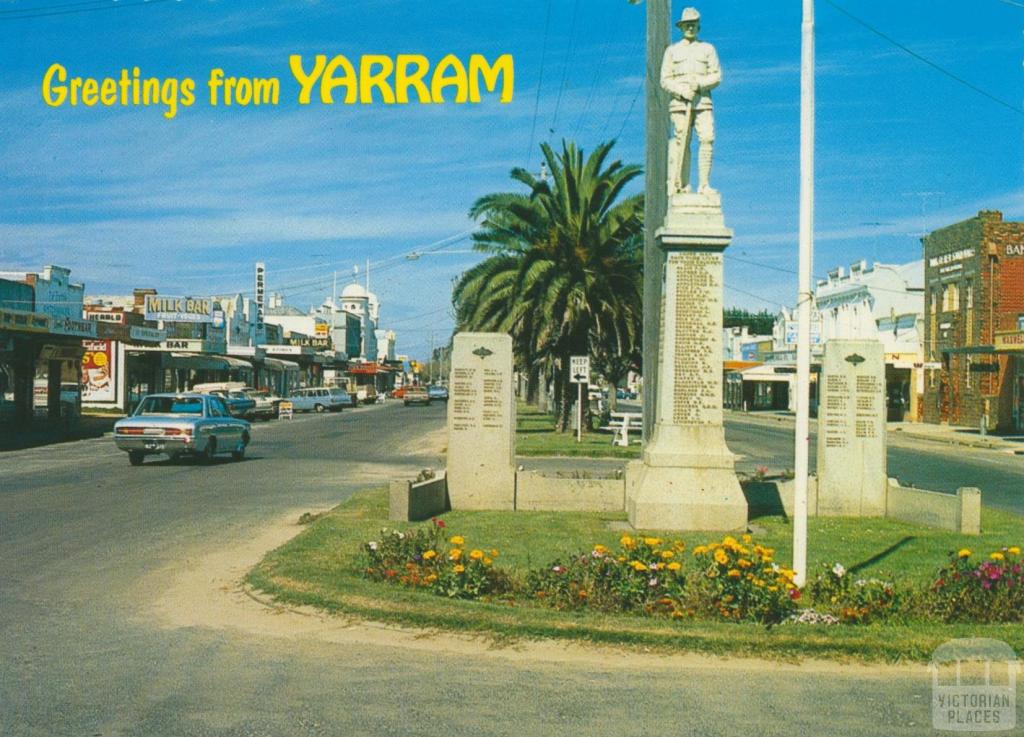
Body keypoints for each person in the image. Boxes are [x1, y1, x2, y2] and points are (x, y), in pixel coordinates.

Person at [660, 7, 721, 197]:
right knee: (682, 142)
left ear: (698, 26)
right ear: (681, 27)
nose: (690, 28)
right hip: (680, 105)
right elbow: (665, 79)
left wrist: (700, 84)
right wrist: (681, 91)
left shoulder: (708, 49)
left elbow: (717, 75)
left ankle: (704, 185)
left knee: (707, 139)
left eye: (693, 24)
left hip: (702, 102)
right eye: (687, 25)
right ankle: (683, 184)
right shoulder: (672, 51)